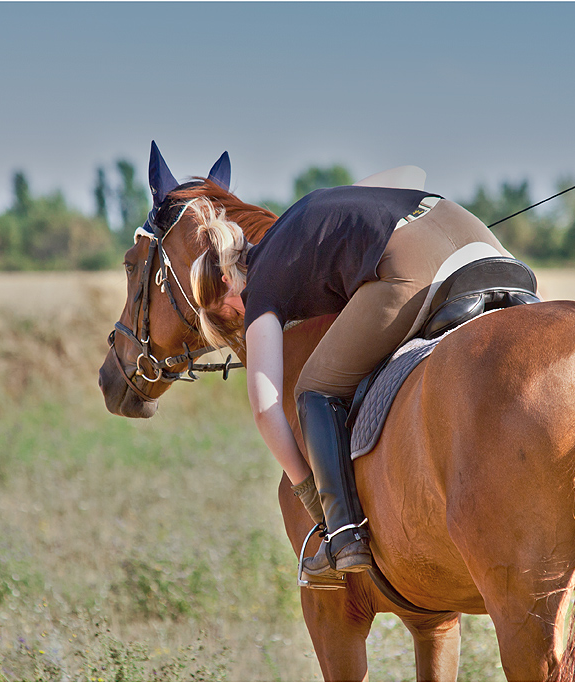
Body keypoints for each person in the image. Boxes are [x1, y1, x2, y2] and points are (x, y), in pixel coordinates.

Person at [188, 173, 511, 583]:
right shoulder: (298, 222)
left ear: (227, 284)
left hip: (415, 266)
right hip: (481, 241)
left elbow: (266, 409)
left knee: (313, 388)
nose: (237, 316)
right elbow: (412, 173)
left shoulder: (261, 283)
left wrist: (309, 497)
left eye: (225, 314)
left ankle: (342, 535)